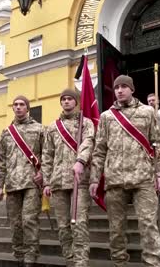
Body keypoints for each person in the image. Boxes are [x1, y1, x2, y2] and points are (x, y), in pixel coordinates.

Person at [90, 75, 160, 267]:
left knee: (148, 225)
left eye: (124, 86)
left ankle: (153, 263)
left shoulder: (148, 112)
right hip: (115, 180)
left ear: (132, 89)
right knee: (116, 229)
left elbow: (158, 144)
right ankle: (119, 263)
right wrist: (94, 179)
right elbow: (99, 150)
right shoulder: (107, 117)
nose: (119, 90)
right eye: (117, 87)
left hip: (143, 178)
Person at [41, 89, 95, 267]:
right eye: (63, 99)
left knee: (78, 224)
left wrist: (80, 160)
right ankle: (70, 261)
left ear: (76, 102)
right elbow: (47, 156)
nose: (66, 102)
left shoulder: (86, 123)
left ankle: (81, 263)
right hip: (57, 182)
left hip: (79, 180)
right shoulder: (52, 128)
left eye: (70, 99)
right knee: (63, 227)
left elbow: (89, 143)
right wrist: (47, 182)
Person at [0, 95, 44, 267]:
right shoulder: (6, 134)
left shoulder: (39, 130)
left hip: (31, 183)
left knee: (29, 220)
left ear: (27, 108)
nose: (18, 107)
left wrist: (43, 173)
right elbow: (1, 161)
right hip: (12, 184)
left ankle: (31, 255)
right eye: (15, 105)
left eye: (22, 104)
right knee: (15, 223)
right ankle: (19, 254)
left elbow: (48, 155)